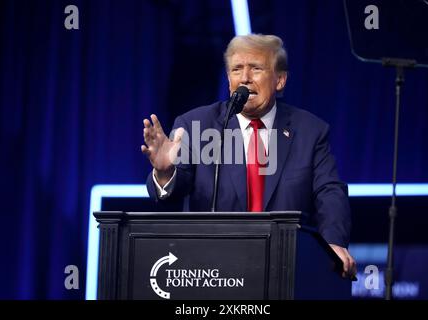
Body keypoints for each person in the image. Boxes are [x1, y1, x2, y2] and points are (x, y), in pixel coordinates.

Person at [141, 34, 356, 278]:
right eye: (236, 69)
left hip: (285, 268)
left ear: (280, 80)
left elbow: (329, 193)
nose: (244, 78)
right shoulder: (196, 125)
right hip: (212, 271)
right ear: (229, 79)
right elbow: (175, 192)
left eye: (256, 68)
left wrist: (333, 243)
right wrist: (165, 172)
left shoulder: (310, 131)